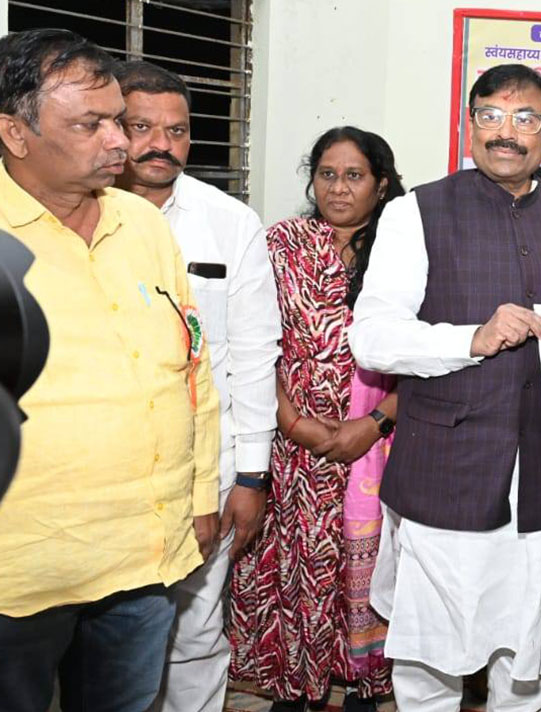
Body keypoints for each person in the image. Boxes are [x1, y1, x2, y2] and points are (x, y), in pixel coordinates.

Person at [348, 63, 541, 712]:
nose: (506, 132)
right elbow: (373, 339)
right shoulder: (416, 213)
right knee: (430, 661)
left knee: (533, 657)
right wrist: (472, 337)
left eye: (525, 119)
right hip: (449, 475)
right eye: (491, 115)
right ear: (469, 124)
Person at [0, 29, 219, 712]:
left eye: (118, 120)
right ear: (15, 133)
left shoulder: (142, 225)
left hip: (142, 557)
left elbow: (192, 367)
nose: (120, 142)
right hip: (21, 572)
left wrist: (201, 495)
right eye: (90, 124)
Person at [113, 60, 282, 712]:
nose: (162, 145)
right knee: (105, 646)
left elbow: (253, 355)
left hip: (203, 473)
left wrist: (252, 476)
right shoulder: (78, 214)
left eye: (177, 131)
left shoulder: (228, 221)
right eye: (142, 127)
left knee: (195, 635)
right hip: (104, 477)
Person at [228, 126, 404, 712]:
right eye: (327, 174)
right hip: (291, 439)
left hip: (381, 441)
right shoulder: (280, 244)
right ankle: (294, 680)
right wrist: (294, 422)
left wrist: (372, 424)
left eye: (354, 176)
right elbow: (253, 340)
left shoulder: (405, 249)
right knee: (295, 560)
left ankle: (365, 681)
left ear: (381, 184)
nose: (338, 188)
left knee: (370, 563)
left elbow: (429, 355)